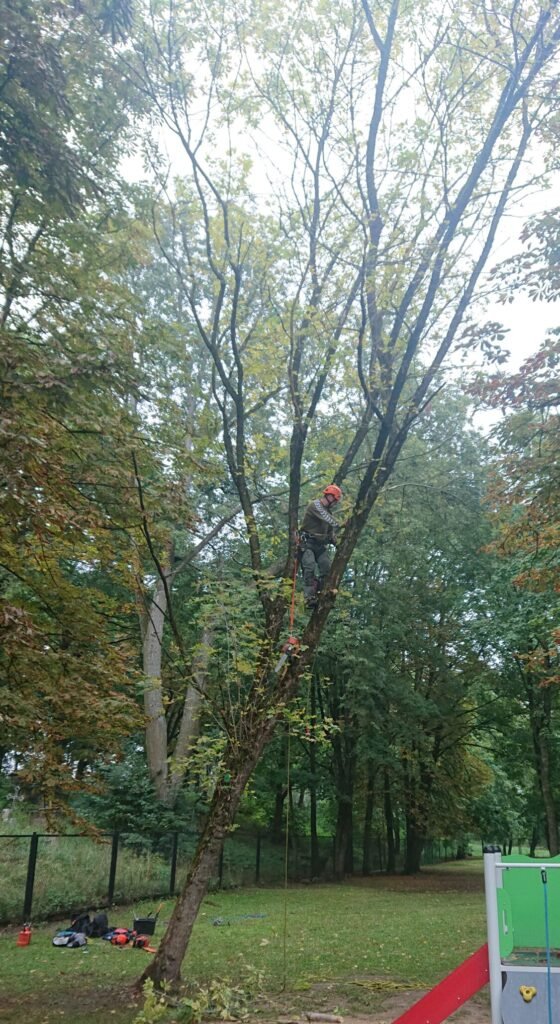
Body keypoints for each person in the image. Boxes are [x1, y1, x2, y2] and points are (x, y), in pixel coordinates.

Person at [299, 484, 342, 608]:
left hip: (320, 546)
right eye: (335, 500)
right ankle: (310, 597)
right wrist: (342, 524)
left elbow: (330, 533)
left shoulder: (328, 513)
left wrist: (337, 543)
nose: (335, 503)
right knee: (309, 567)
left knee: (326, 567)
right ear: (329, 496)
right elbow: (330, 521)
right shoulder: (316, 505)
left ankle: (323, 594)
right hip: (307, 544)